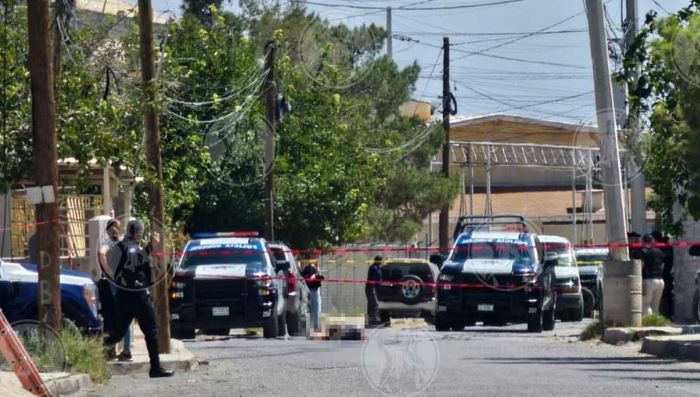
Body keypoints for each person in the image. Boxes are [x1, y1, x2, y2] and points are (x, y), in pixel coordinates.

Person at [104, 220, 173, 378]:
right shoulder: (130, 247)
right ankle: (155, 368)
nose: (141, 235)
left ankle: (93, 355)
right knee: (150, 331)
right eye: (140, 232)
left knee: (117, 333)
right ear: (136, 232)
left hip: (126, 296)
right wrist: (150, 246)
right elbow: (135, 259)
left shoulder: (121, 247)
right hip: (137, 297)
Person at [97, 219, 133, 362]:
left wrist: (109, 272)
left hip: (115, 284)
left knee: (113, 316)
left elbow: (101, 254)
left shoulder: (108, 242)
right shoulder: (125, 242)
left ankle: (113, 349)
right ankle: (126, 350)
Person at [640, 234, 665, 315]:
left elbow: (641, 265)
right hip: (660, 280)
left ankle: (649, 323)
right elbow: (662, 266)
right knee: (656, 305)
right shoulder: (660, 251)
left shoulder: (644, 252)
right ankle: (656, 322)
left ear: (643, 242)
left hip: (649, 280)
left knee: (646, 304)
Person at [301, 259, 324, 332]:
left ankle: (314, 327)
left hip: (311, 291)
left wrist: (317, 274)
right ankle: (314, 327)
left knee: (312, 310)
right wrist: (314, 275)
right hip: (311, 291)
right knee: (314, 310)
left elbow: (321, 278)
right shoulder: (309, 269)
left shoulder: (313, 271)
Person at [366, 256, 383, 327]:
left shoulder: (377, 268)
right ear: (378, 261)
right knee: (374, 305)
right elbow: (372, 280)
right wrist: (373, 289)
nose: (381, 262)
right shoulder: (374, 268)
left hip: (372, 288)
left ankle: (370, 320)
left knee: (371, 304)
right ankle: (375, 320)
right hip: (371, 288)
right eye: (381, 261)